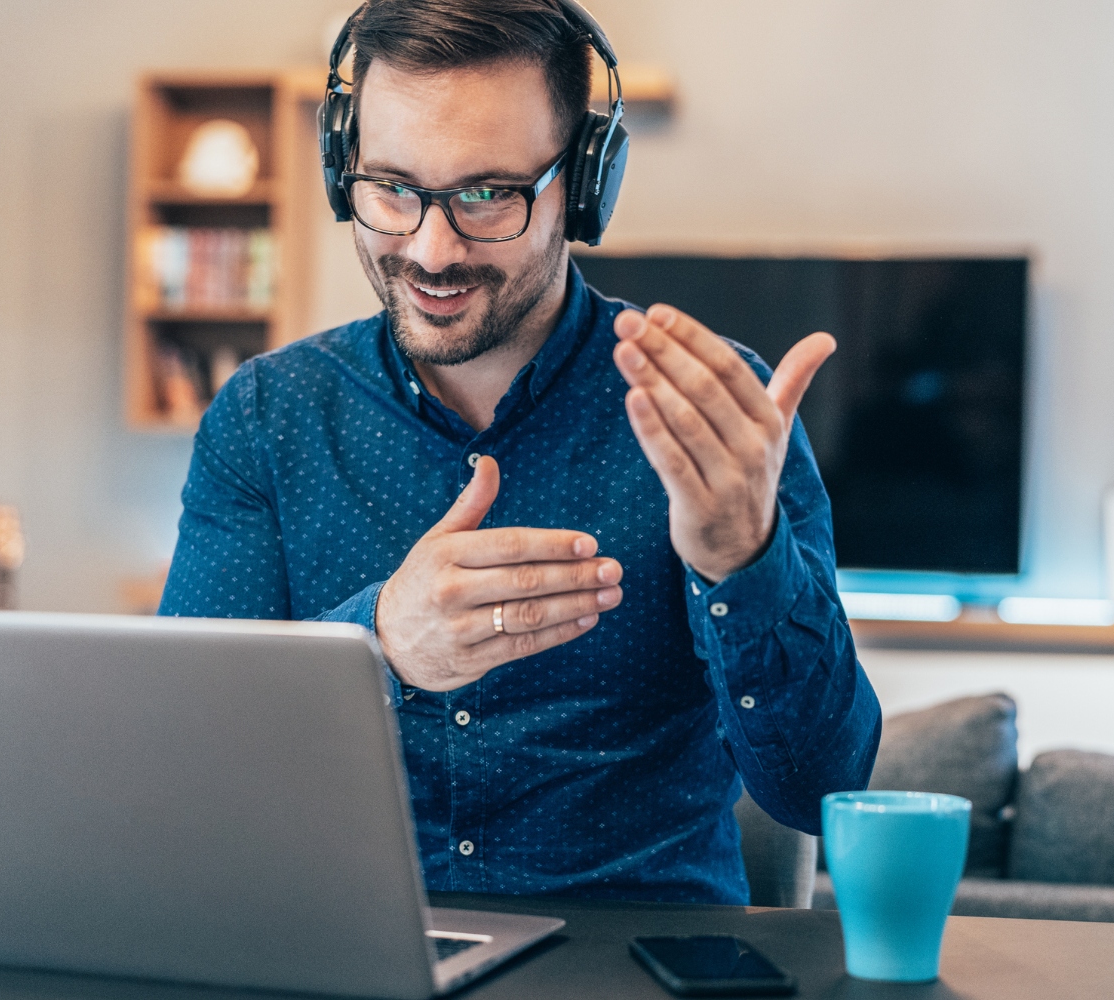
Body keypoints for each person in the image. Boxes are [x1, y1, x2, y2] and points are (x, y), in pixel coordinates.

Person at [160, 0, 880, 904]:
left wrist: (744, 557)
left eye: (486, 193)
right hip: (346, 949)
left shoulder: (717, 413)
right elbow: (185, 766)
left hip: (630, 962)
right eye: (391, 187)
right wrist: (376, 646)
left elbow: (823, 790)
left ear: (583, 183)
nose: (429, 247)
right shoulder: (267, 418)